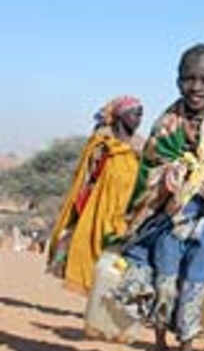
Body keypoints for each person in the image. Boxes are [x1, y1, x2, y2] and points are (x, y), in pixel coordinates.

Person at [113, 44, 204, 351]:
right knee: (165, 282)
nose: (196, 87)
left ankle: (187, 343)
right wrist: (172, 175)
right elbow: (148, 173)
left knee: (195, 286)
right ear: (178, 80)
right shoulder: (165, 125)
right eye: (189, 79)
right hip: (169, 221)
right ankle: (160, 340)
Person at [47, 95, 144, 294]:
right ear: (120, 116)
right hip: (98, 207)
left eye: (141, 115)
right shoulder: (102, 143)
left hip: (126, 211)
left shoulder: (142, 147)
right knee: (90, 251)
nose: (139, 119)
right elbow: (86, 175)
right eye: (135, 114)